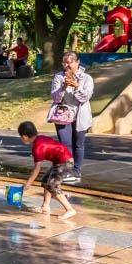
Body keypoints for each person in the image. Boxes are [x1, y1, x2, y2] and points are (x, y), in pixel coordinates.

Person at [17, 121, 77, 219]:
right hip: (62, 161)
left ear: (24, 137)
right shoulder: (40, 138)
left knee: (52, 185)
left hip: (65, 162)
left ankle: (70, 209)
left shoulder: (37, 147)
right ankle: (45, 206)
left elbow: (37, 168)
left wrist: (28, 184)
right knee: (46, 180)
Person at [50, 52, 94, 185]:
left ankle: (76, 171)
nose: (66, 65)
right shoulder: (58, 77)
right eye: (64, 63)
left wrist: (76, 86)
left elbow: (85, 98)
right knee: (65, 143)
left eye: (69, 62)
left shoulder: (86, 78)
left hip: (80, 115)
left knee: (78, 144)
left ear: (77, 62)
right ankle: (67, 170)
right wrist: (63, 87)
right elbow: (55, 97)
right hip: (63, 114)